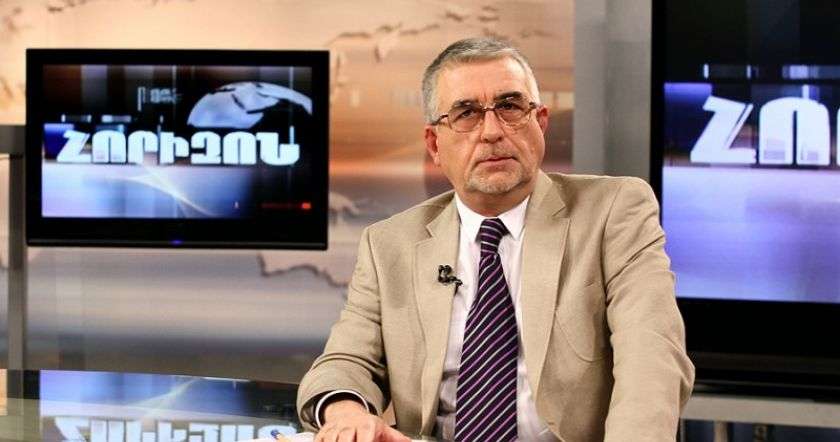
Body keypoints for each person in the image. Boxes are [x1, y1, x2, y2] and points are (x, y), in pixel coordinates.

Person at [296, 37, 695, 442]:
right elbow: (345, 362)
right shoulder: (389, 245)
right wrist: (347, 413)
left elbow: (652, 358)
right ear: (434, 144)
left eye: (509, 107)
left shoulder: (613, 212)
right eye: (466, 113)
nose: (491, 132)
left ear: (540, 123)